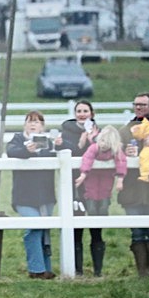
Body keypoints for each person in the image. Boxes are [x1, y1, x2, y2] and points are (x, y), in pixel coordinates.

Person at [6, 112, 59, 279]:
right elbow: (11, 151)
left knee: (44, 230)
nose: (33, 124)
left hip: (46, 194)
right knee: (34, 227)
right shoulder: (17, 140)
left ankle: (46, 268)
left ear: (42, 126)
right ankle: (36, 269)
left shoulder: (49, 142)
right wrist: (26, 151)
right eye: (30, 121)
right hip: (24, 195)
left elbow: (62, 153)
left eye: (37, 122)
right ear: (24, 125)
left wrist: (60, 145)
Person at [74, 125, 127, 276]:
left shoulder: (115, 151)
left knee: (103, 204)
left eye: (106, 142)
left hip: (105, 182)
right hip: (91, 181)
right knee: (91, 204)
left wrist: (120, 179)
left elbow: (121, 161)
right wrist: (84, 174)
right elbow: (87, 159)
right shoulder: (94, 148)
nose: (103, 144)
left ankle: (101, 220)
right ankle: (93, 217)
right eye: (102, 140)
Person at [57, 100, 100, 275]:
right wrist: (81, 144)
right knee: (76, 227)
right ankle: (78, 269)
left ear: (91, 113)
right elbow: (66, 151)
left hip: (96, 183)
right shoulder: (67, 131)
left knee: (96, 227)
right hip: (74, 184)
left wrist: (92, 141)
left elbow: (103, 151)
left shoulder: (98, 131)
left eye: (85, 111)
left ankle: (98, 270)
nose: (82, 114)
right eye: (79, 111)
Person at [118, 92, 149, 277]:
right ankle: (142, 271)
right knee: (138, 232)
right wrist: (125, 153)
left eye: (143, 105)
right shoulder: (125, 130)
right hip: (132, 189)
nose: (139, 108)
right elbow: (114, 154)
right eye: (136, 104)